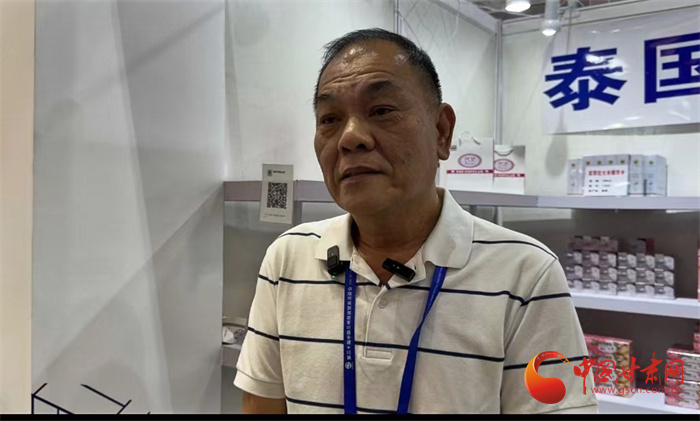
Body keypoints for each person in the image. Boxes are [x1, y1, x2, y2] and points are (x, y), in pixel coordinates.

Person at [234, 28, 597, 414]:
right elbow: (261, 405)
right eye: (330, 119)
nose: (350, 137)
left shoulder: (526, 274)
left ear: (441, 131)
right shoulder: (288, 259)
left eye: (381, 111)